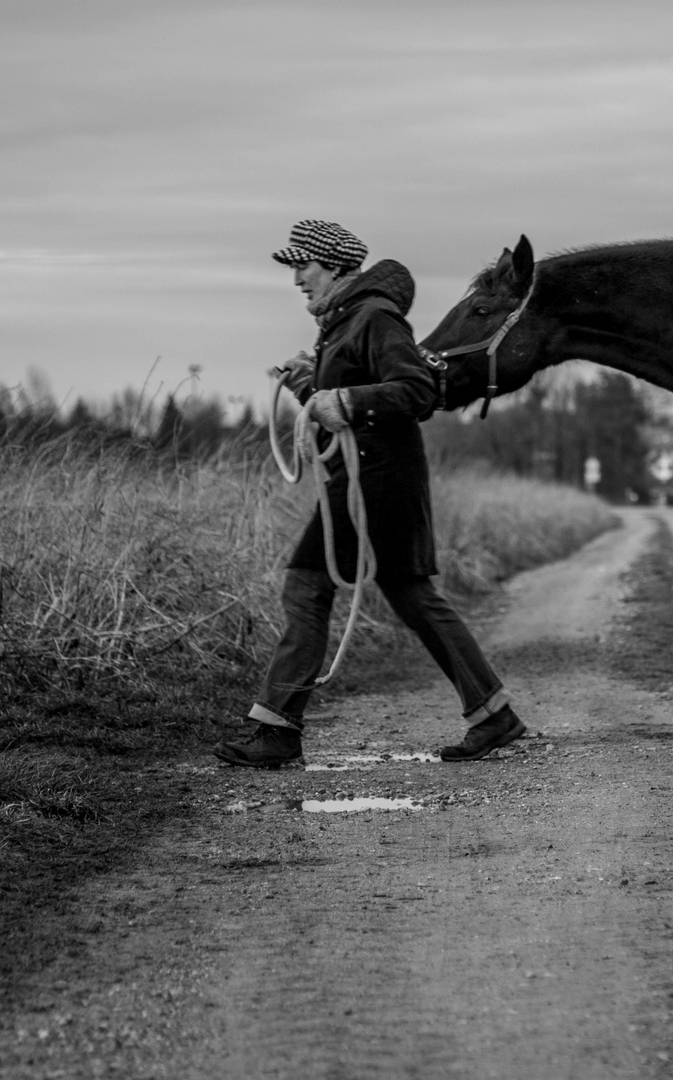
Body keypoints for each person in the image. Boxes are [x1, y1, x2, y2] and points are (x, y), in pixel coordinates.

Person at [213, 219, 526, 767]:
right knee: (410, 597)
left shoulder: (373, 317)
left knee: (309, 590)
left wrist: (348, 402)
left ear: (333, 267)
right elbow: (345, 398)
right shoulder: (344, 321)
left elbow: (417, 390)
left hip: (376, 482)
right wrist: (308, 384)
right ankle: (493, 715)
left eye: (302, 266)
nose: (296, 279)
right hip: (365, 480)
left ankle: (278, 728)